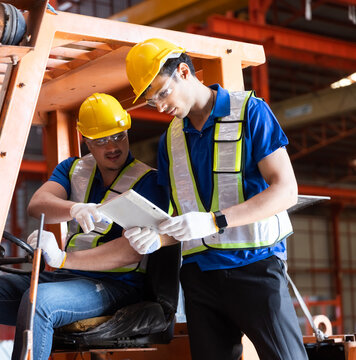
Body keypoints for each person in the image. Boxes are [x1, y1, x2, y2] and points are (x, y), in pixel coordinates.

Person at [123, 38, 307, 360]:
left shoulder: (250, 111)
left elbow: (285, 190)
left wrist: (214, 220)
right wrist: (156, 236)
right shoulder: (170, 140)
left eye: (162, 93)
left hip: (255, 266)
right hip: (199, 277)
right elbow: (179, 216)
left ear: (184, 71)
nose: (161, 107)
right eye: (152, 102)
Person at [0, 92, 169, 360]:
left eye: (118, 136)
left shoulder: (149, 182)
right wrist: (74, 209)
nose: (112, 146)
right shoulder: (72, 169)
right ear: (86, 140)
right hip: (65, 279)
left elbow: (129, 252)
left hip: (116, 285)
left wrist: (62, 258)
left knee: (40, 302)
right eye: (101, 140)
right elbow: (37, 204)